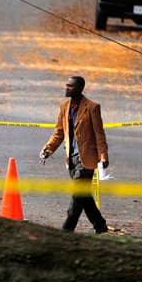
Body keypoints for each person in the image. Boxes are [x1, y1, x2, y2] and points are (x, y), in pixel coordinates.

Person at [39, 76, 109, 233]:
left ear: (79, 89)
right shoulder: (64, 107)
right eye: (66, 85)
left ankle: (66, 230)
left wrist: (103, 156)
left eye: (70, 86)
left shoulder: (92, 107)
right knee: (84, 196)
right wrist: (48, 149)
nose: (66, 88)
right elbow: (59, 132)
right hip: (71, 159)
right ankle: (100, 225)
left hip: (87, 160)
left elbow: (100, 135)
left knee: (78, 196)